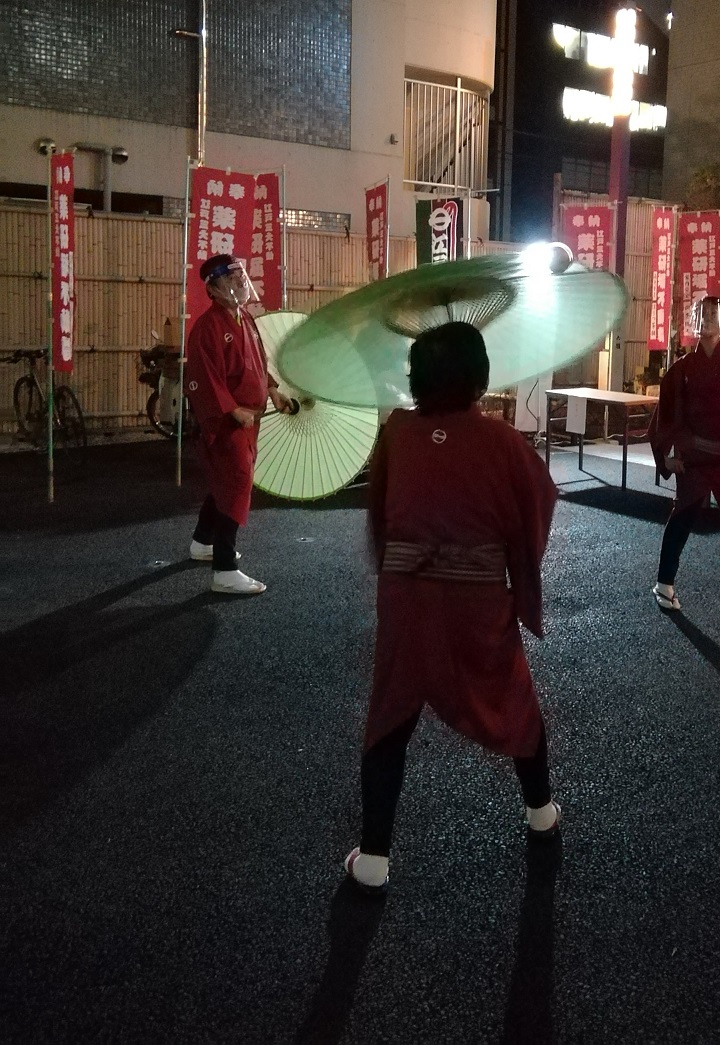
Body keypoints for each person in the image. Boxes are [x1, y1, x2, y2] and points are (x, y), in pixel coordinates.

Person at [344, 320, 560, 893]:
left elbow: (381, 514)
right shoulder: (503, 440)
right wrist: (517, 577)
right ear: (478, 375)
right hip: (478, 602)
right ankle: (542, 814)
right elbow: (537, 506)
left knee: (390, 716)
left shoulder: (397, 431)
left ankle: (374, 858)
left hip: (408, 598)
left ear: (417, 377)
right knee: (513, 699)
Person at [184, 253, 292, 595]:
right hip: (227, 421)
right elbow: (203, 377)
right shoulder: (208, 327)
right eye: (230, 281)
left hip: (249, 418)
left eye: (240, 278)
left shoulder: (245, 318)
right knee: (237, 482)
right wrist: (231, 409)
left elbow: (258, 364)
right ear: (212, 289)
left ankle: (203, 541)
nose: (239, 285)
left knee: (226, 481)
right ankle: (225, 568)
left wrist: (273, 390)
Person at [647, 295, 720, 611]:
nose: (705, 320)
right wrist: (664, 455)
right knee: (684, 514)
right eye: (700, 315)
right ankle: (664, 584)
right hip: (693, 456)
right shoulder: (683, 368)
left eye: (712, 314)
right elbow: (666, 415)